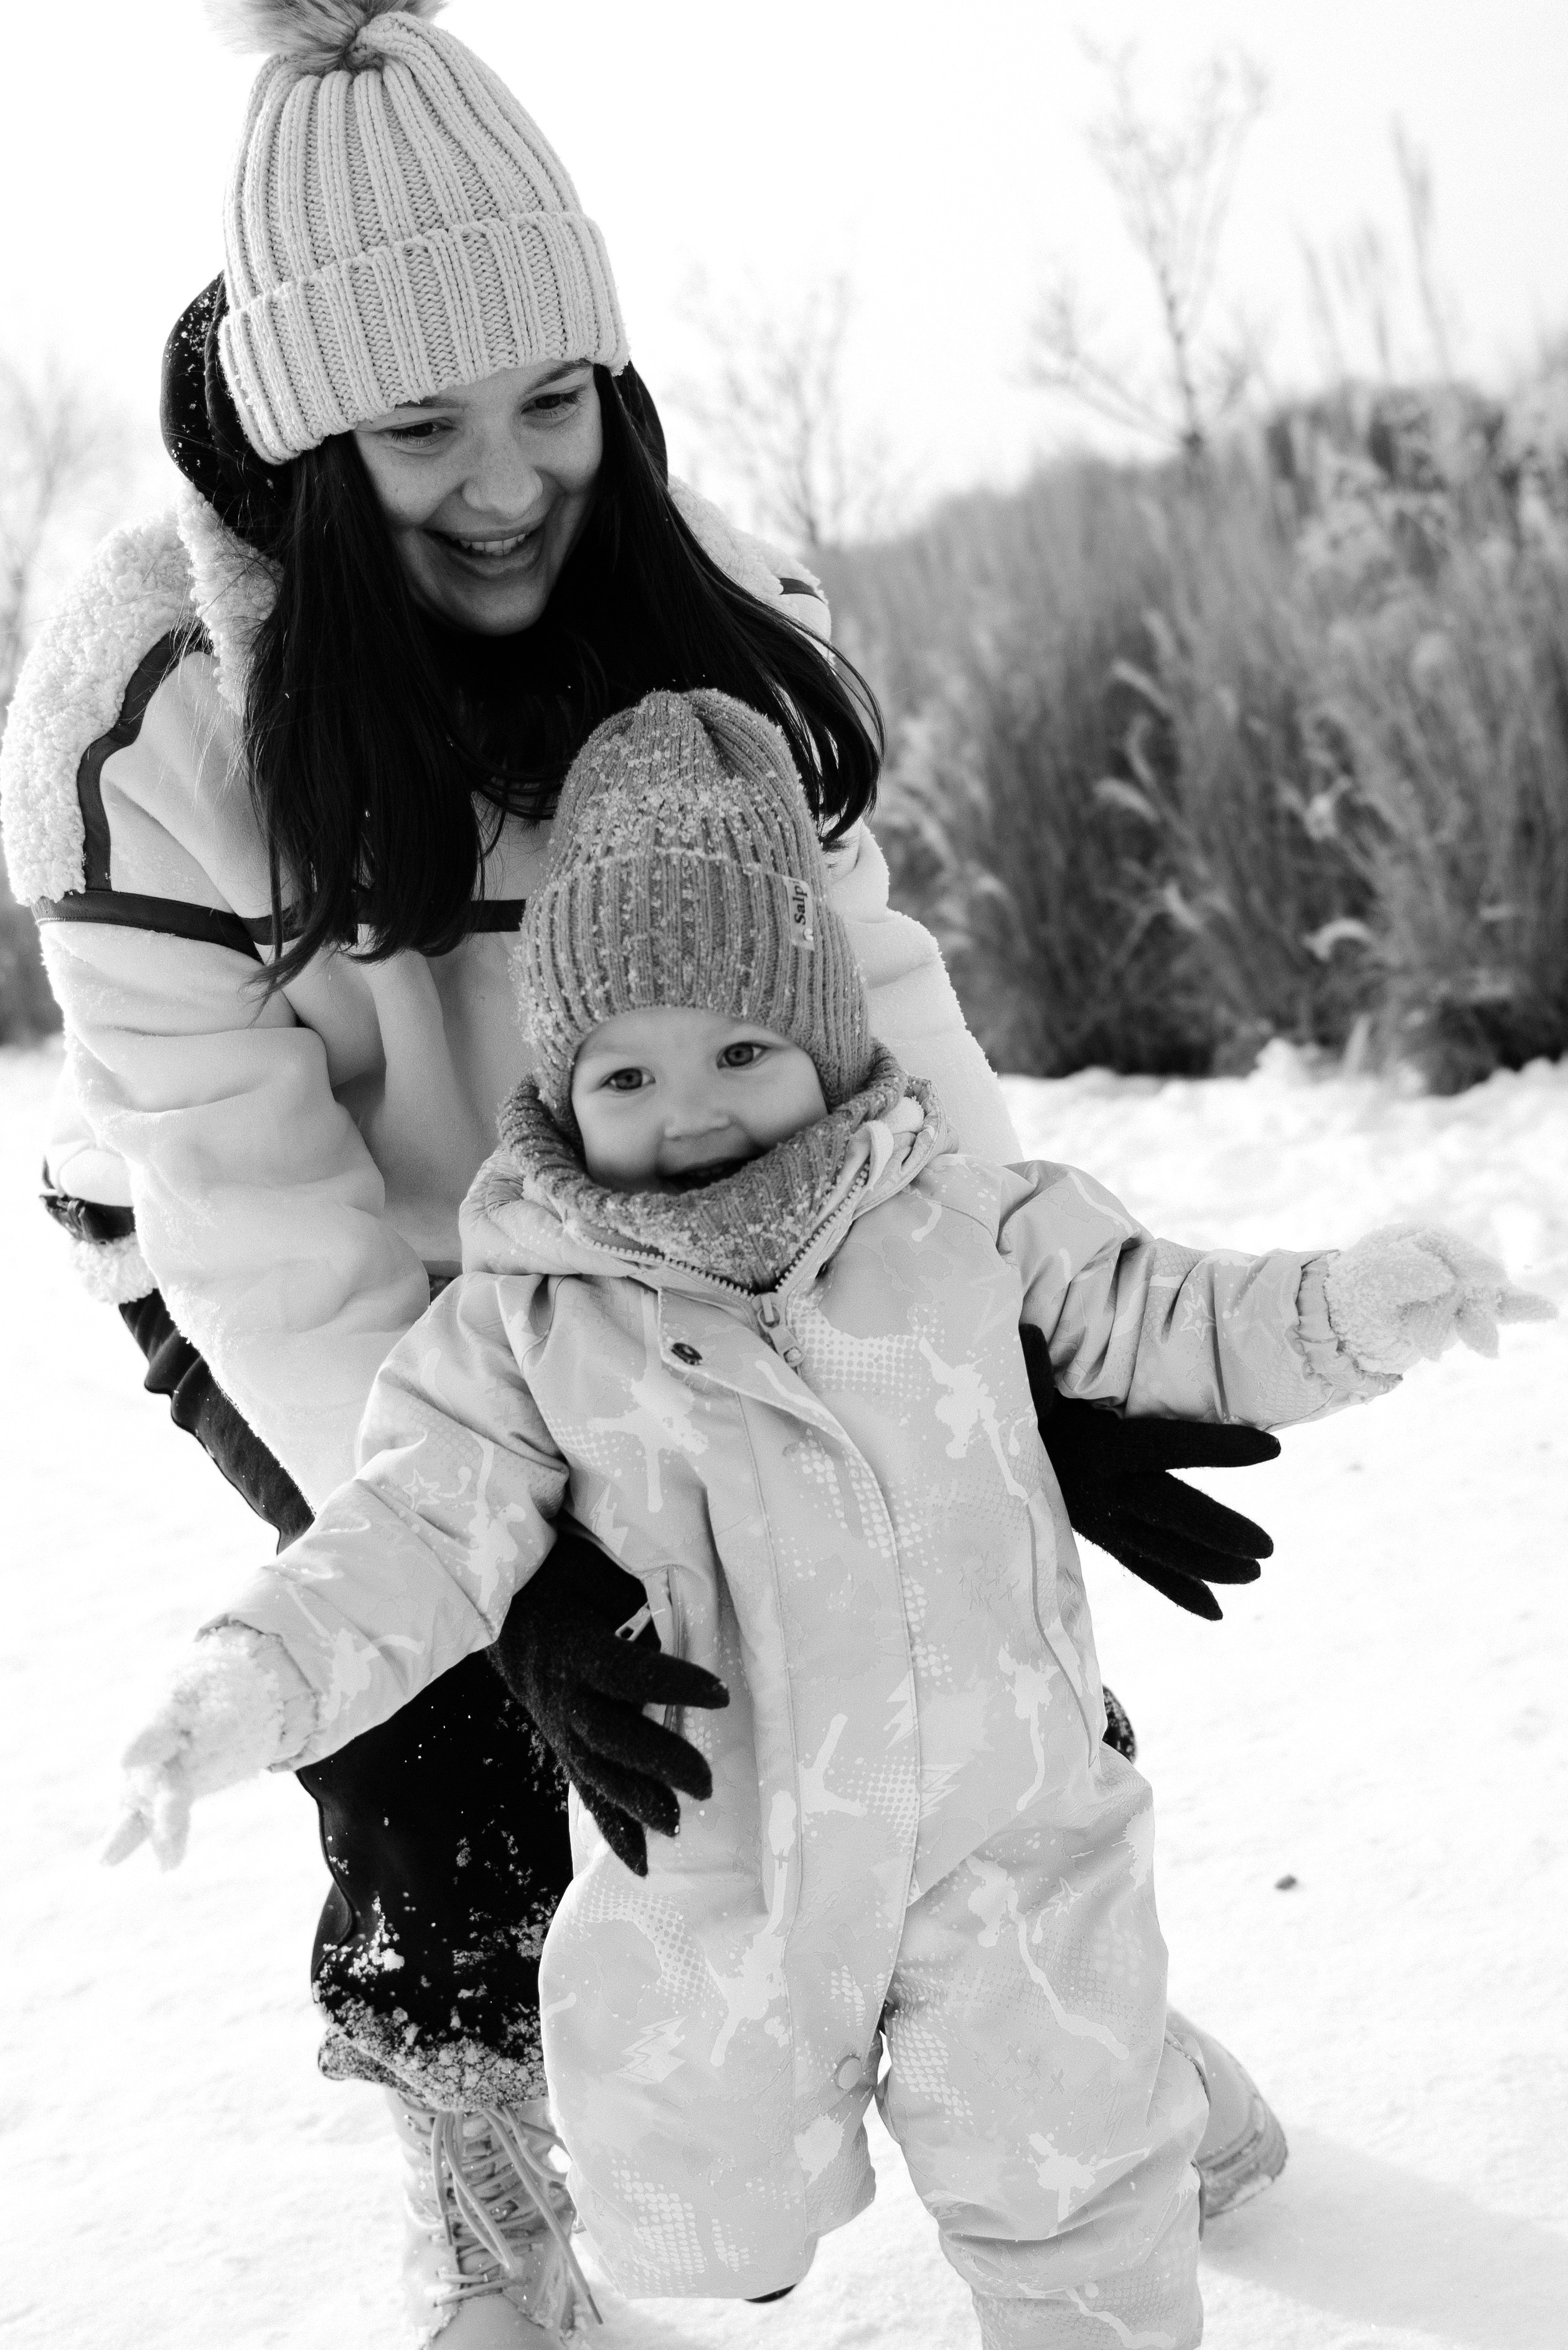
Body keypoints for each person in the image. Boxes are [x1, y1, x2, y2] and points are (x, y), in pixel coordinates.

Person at [0, 0, 1302, 2336]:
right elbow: (264, 1226)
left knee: (927, 1582)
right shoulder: (141, 720)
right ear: (309, 440)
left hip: (697, 1197)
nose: (506, 482)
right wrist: (512, 1561)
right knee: (446, 1713)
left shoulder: (707, 611)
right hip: (308, 1273)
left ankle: (1062, 2038)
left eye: (551, 403)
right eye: (418, 426)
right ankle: (496, 2181)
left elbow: (876, 1019)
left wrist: (999, 1352)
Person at [109, 687, 1550, 2350]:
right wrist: (240, 1688)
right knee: (722, 2222)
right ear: (564, 1088)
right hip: (726, 1886)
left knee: (1074, 2197)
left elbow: (1174, 1312)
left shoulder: (965, 1221)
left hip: (1013, 1849)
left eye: (743, 1047)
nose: (693, 1103)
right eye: (631, 1068)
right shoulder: (521, 1332)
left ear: (829, 1041)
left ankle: (1135, 2128)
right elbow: (403, 1536)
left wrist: (1360, 1306)